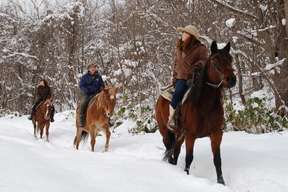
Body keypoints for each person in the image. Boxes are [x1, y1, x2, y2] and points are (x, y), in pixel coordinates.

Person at [167, 25, 209, 130]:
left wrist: (198, 65)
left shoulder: (200, 48)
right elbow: (176, 64)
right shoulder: (179, 47)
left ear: (191, 36)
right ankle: (171, 118)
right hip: (181, 78)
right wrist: (174, 77)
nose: (182, 35)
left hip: (194, 78)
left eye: (185, 33)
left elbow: (204, 61)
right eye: (183, 33)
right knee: (178, 93)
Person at [79, 63, 105, 129]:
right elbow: (81, 86)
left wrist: (102, 88)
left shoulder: (98, 76)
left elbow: (102, 84)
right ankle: (81, 121)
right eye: (91, 67)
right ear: (89, 69)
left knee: (106, 102)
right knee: (83, 104)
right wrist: (87, 90)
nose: (93, 69)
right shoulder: (84, 77)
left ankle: (107, 120)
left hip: (97, 94)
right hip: (88, 94)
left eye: (94, 67)